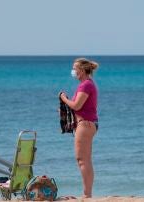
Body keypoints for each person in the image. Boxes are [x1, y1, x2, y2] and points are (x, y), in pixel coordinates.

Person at [60, 58, 99, 198]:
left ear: (81, 71)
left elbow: (76, 105)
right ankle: (87, 193)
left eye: (75, 69)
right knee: (85, 159)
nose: (73, 72)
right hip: (86, 123)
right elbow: (80, 107)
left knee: (82, 159)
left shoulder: (86, 85)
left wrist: (64, 98)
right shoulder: (86, 84)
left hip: (86, 124)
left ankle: (87, 194)